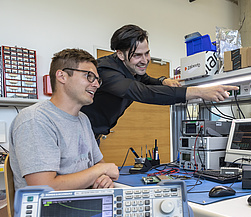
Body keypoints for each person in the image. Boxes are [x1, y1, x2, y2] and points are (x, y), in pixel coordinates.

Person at [81, 24, 238, 138]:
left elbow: (146, 80)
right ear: (120, 54)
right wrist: (199, 92)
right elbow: (143, 92)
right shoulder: (105, 71)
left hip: (94, 133)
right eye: (137, 56)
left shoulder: (130, 68)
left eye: (147, 53)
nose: (145, 60)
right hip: (80, 133)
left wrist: (163, 81)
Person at [9, 48, 119, 191]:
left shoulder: (83, 119)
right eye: (89, 76)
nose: (96, 85)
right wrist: (99, 171)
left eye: (97, 79)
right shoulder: (35, 119)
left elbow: (100, 165)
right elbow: (44, 188)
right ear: (62, 76)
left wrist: (103, 178)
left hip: (84, 203)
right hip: (52, 211)